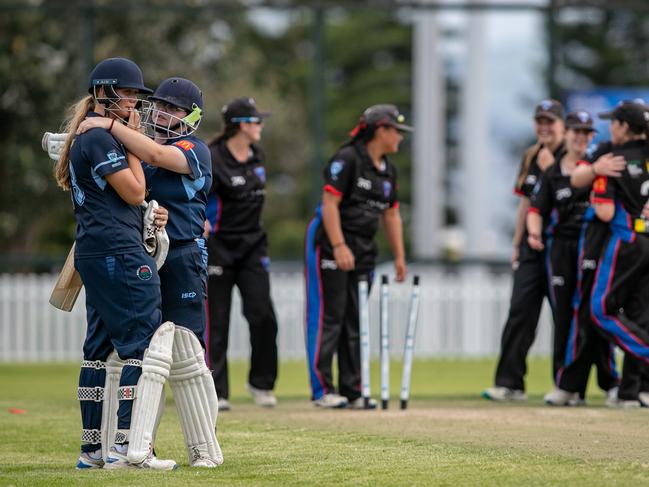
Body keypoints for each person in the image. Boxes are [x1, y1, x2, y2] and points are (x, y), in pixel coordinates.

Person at [77, 77, 223, 467]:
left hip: (184, 257)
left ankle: (203, 448)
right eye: (161, 104)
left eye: (173, 109)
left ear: (190, 117)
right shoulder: (137, 149)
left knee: (187, 353)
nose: (162, 112)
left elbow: (159, 157)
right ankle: (137, 444)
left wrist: (109, 125)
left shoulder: (194, 149)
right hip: (146, 254)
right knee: (143, 355)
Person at [53, 57, 175, 470]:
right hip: (118, 254)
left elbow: (129, 203)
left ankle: (91, 450)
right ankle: (126, 446)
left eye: (136, 96)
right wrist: (132, 141)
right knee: (139, 346)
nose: (133, 103)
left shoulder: (92, 137)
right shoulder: (102, 140)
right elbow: (136, 191)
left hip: (97, 250)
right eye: (127, 94)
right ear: (104, 93)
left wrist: (151, 212)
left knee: (97, 351)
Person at [304, 104, 409, 409]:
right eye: (397, 131)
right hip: (330, 241)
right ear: (381, 130)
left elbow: (391, 215)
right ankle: (323, 390)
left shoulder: (388, 170)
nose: (400, 138)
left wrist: (400, 257)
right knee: (329, 316)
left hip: (364, 247)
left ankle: (353, 390)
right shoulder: (348, 158)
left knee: (356, 319)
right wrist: (338, 246)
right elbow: (329, 205)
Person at [526, 111, 618, 405]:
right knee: (564, 316)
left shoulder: (600, 164)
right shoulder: (553, 172)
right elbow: (536, 208)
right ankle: (566, 385)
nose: (581, 137)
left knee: (594, 313)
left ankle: (610, 383)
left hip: (593, 245)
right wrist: (534, 235)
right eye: (576, 131)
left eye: (587, 132)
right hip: (561, 248)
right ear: (566, 133)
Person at [482, 100, 565, 401]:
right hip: (532, 247)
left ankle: (565, 385)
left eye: (550, 122)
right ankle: (510, 382)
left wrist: (552, 170)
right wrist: (517, 244)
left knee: (563, 317)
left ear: (561, 124)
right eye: (539, 121)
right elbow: (526, 204)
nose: (544, 127)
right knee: (520, 311)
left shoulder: (572, 155)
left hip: (561, 246)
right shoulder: (531, 155)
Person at [204, 97, 279, 411]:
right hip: (219, 246)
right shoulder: (212, 156)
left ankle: (261, 383)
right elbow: (196, 195)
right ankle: (216, 391)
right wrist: (201, 221)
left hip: (253, 247)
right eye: (255, 120)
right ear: (240, 125)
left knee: (263, 316)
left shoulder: (257, 156)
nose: (260, 125)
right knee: (217, 320)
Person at [577, 101, 649, 406]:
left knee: (598, 309)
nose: (609, 127)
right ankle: (630, 393)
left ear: (623, 126)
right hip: (647, 240)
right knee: (639, 313)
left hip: (626, 241)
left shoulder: (614, 159)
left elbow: (605, 212)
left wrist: (595, 193)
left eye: (613, 123)